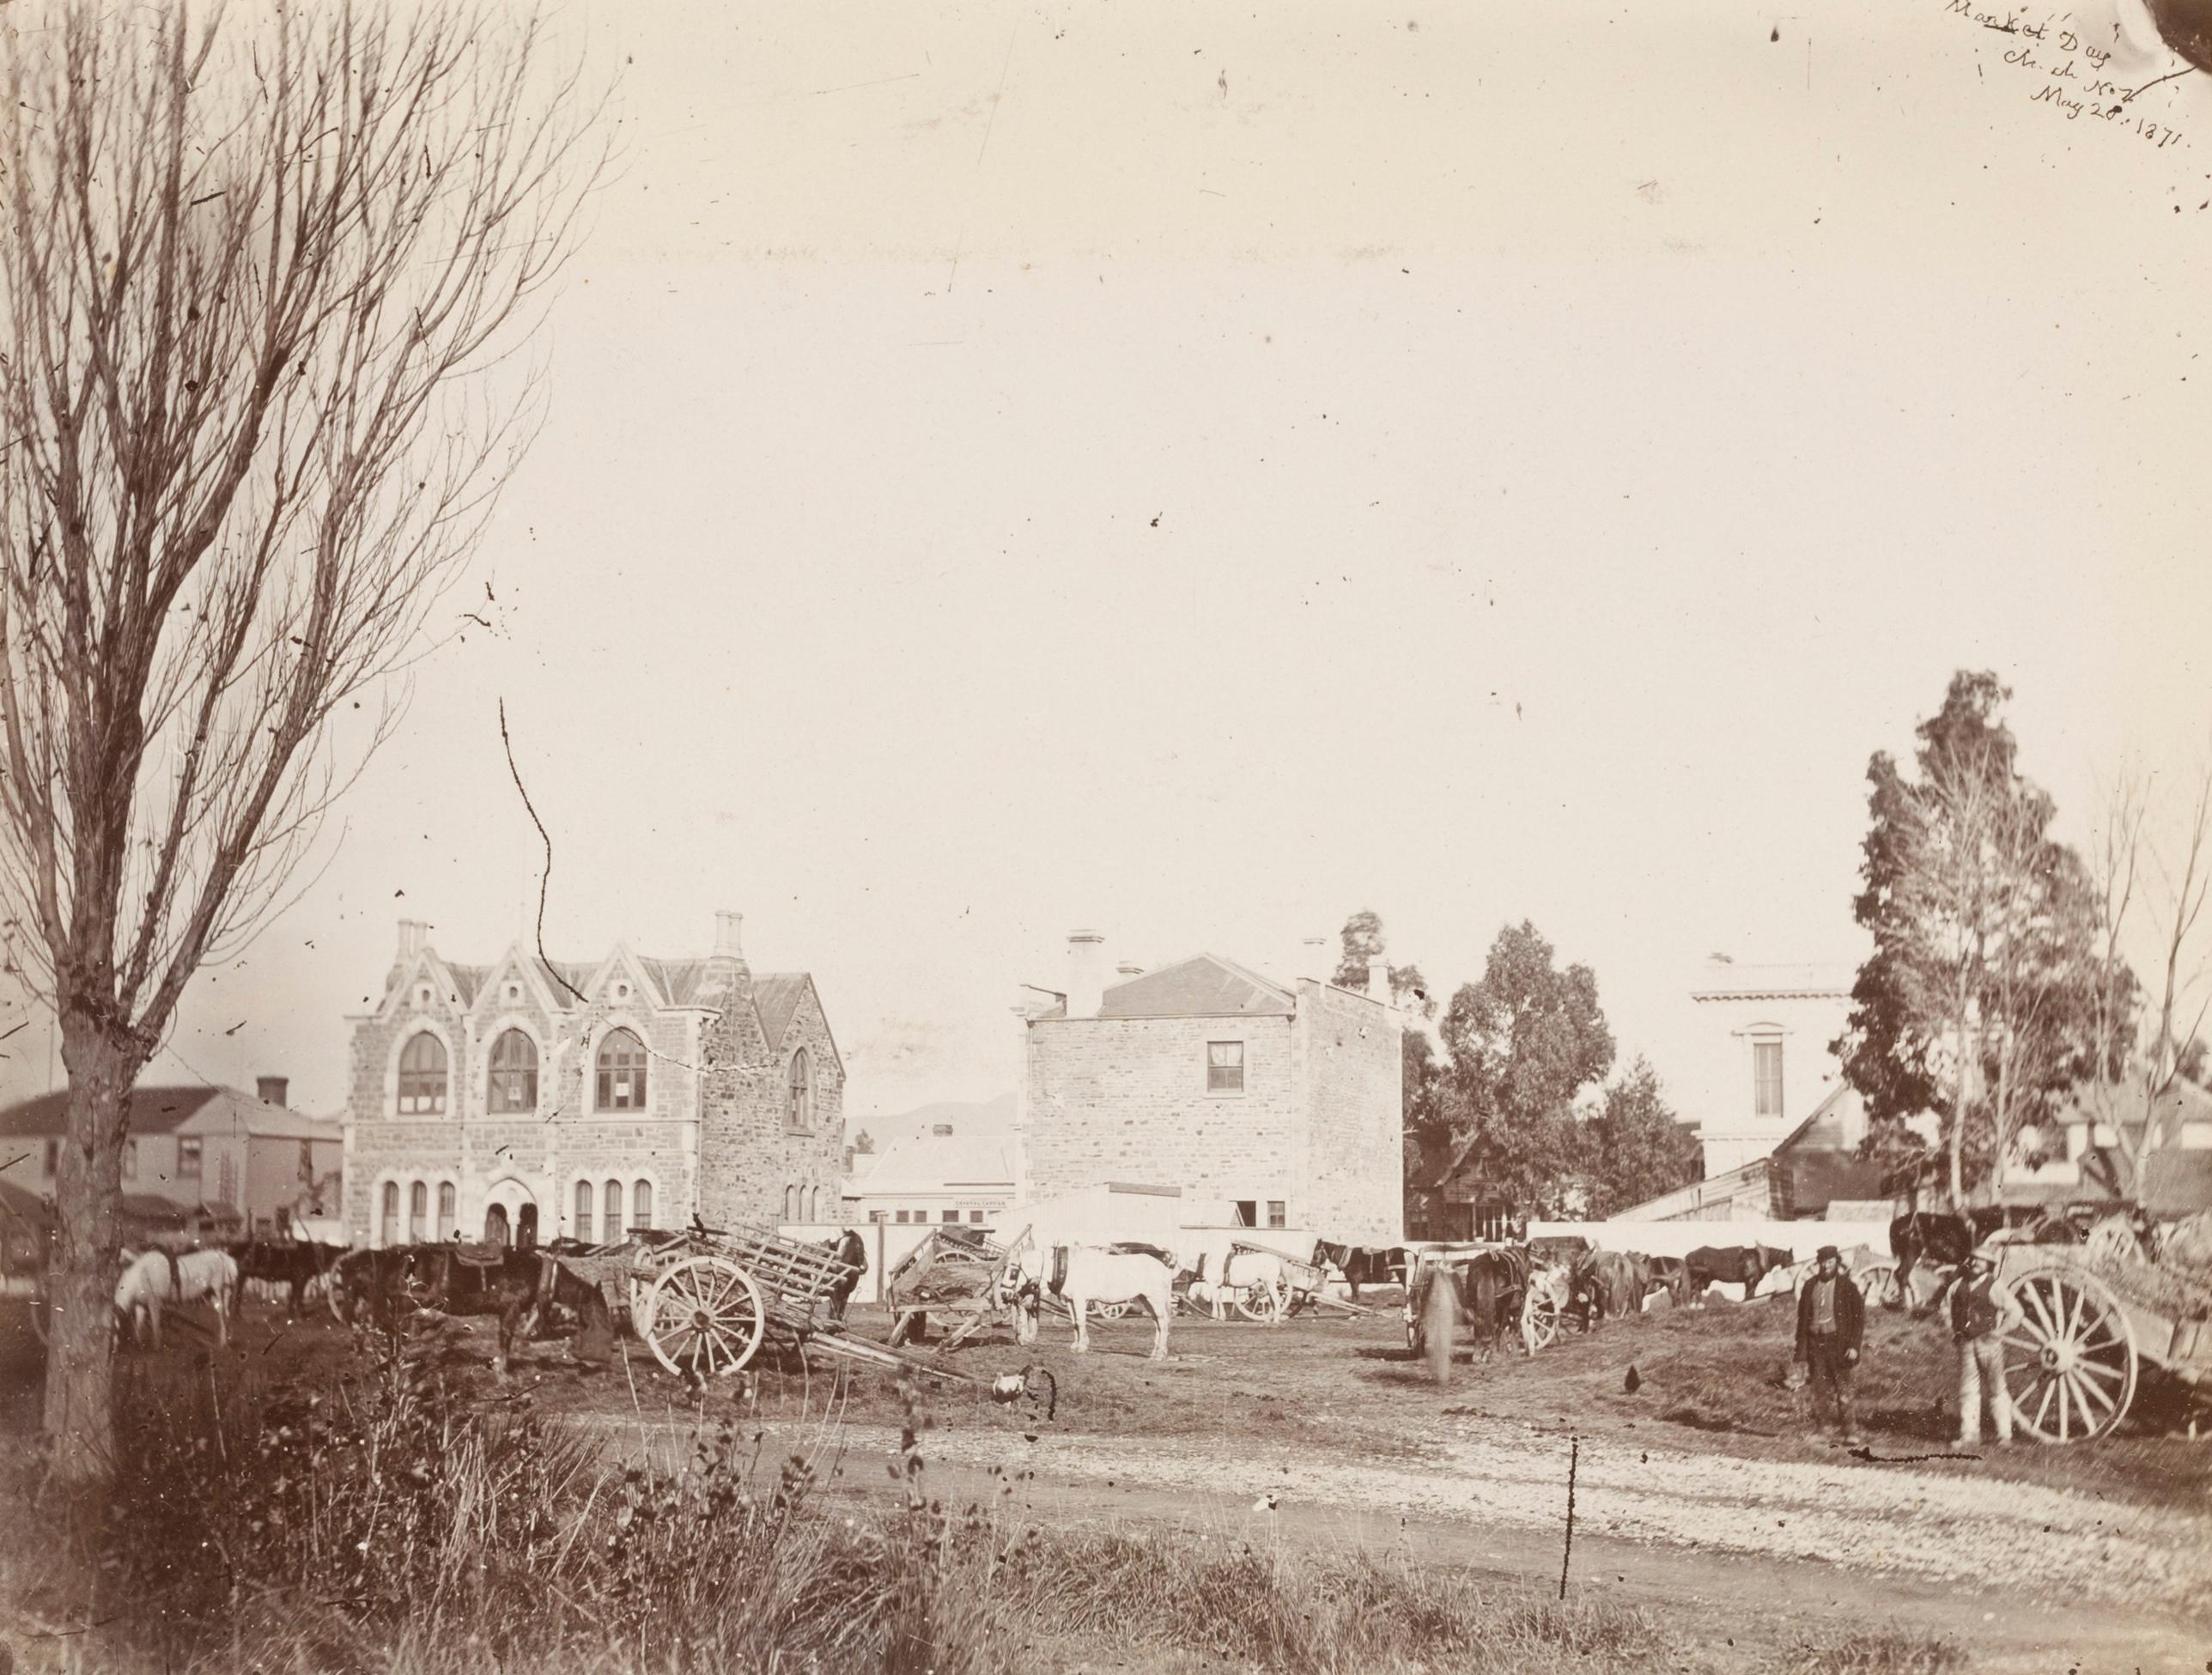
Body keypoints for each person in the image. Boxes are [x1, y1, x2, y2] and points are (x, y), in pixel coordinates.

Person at [1942, 1244, 2025, 1448]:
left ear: (1989, 1265)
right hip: (1966, 1344)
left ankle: (2004, 1436)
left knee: (1997, 1389)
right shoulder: (1958, 1285)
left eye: (1982, 1260)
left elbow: (2016, 1311)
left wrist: (2000, 1331)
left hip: (1989, 1344)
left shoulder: (1994, 1286)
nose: (1977, 1263)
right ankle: (1969, 1435)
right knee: (1968, 1390)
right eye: (1974, 1259)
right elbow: (1944, 1307)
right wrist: (1952, 1329)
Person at [1794, 1245, 1865, 1447]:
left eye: (1830, 1262)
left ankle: (1849, 1432)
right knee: (1819, 1391)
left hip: (1839, 1344)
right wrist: (1801, 1349)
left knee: (1844, 1391)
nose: (1826, 1266)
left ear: (1837, 1263)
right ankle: (1822, 1431)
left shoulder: (1848, 1287)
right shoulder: (1809, 1286)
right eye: (1823, 1262)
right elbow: (1802, 1319)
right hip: (1816, 1345)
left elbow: (1858, 1319)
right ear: (1819, 1263)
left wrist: (1854, 1346)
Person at [825, 1226, 867, 1324]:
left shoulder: (851, 1241)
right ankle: (836, 1316)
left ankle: (838, 1316)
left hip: (844, 1269)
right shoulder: (847, 1241)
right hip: (840, 1268)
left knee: (843, 1295)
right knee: (839, 1294)